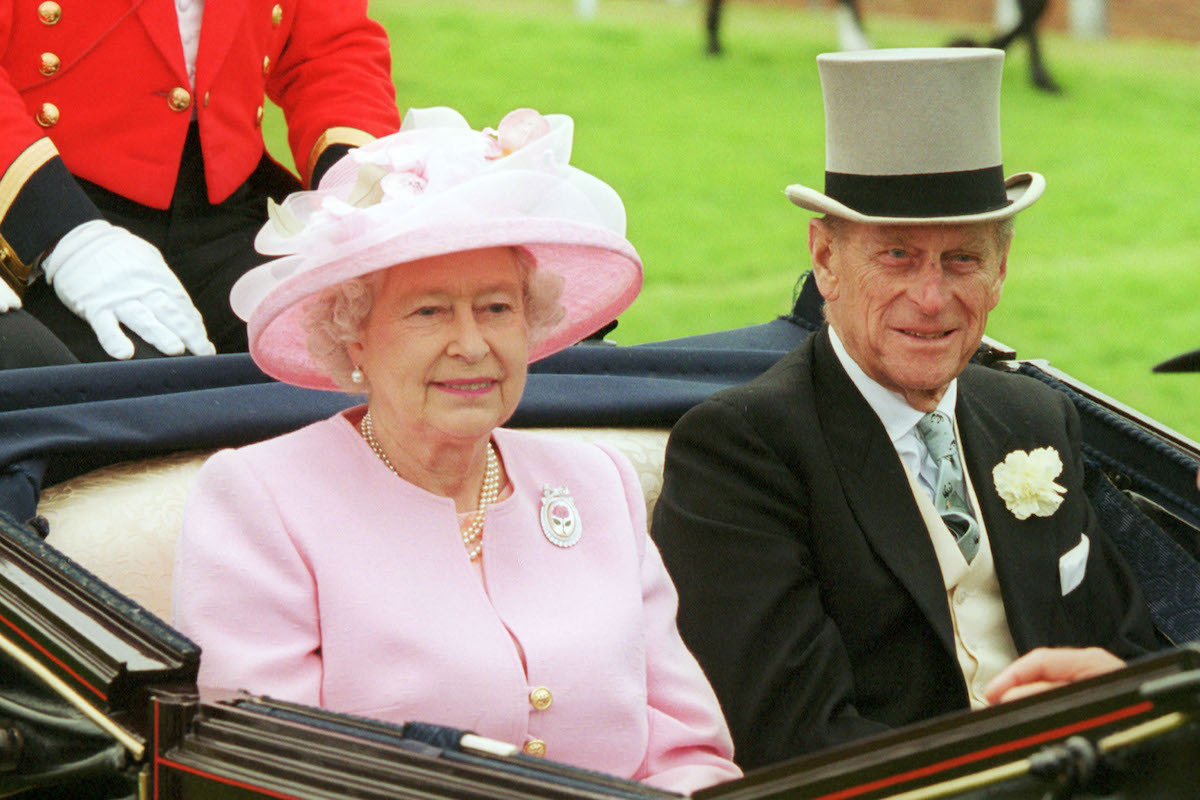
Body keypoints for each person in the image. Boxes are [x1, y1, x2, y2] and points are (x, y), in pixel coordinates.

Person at [171, 107, 741, 793]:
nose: (472, 345)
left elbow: (691, 756)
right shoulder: (261, 501)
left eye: (497, 308)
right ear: (354, 334)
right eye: (430, 311)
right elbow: (269, 772)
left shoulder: (597, 484)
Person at [650, 48, 1159, 770]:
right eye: (895, 256)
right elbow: (792, 740)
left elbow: (1131, 659)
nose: (931, 297)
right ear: (825, 258)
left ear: (1001, 270)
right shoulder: (743, 450)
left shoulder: (1034, 417)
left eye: (962, 259)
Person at [0, 0, 399, 367]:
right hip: (44, 200)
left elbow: (330, 49)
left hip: (229, 196)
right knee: (131, 393)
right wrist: (63, 232)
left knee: (365, 355)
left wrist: (354, 186)